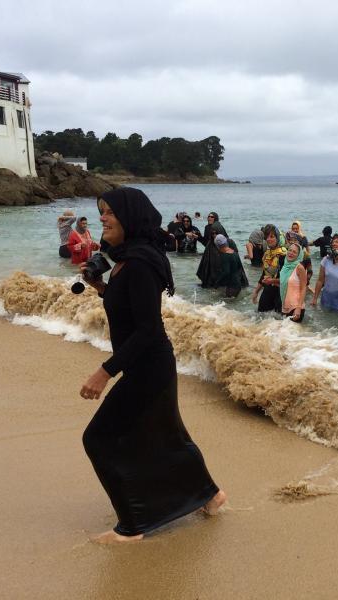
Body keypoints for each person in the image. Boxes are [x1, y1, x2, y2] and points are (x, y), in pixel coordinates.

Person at [79, 187, 225, 544]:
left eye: (109, 212)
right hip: (146, 365)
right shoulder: (126, 260)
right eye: (101, 211)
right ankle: (211, 496)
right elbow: (131, 310)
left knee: (99, 438)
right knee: (167, 434)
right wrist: (101, 288)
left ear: (130, 216)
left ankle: (132, 527)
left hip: (149, 368)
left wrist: (104, 372)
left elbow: (147, 329)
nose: (102, 218)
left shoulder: (140, 263)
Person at [310, 234, 338, 313]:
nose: (334, 244)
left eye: (337, 242)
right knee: (325, 318)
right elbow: (320, 281)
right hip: (326, 297)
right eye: (333, 242)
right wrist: (315, 298)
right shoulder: (326, 259)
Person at [251, 225, 286, 312]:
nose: (268, 239)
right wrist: (256, 291)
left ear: (278, 238)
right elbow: (264, 274)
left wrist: (272, 281)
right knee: (260, 315)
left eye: (272, 236)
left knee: (279, 318)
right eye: (266, 237)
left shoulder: (284, 255)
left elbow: (287, 279)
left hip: (281, 292)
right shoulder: (267, 254)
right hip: (268, 289)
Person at [280, 241, 307, 323]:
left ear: (299, 255)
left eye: (294, 252)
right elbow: (284, 283)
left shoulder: (300, 268)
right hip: (285, 307)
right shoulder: (285, 265)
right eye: (290, 250)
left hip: (296, 308)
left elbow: (303, 288)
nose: (291, 253)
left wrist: (298, 308)